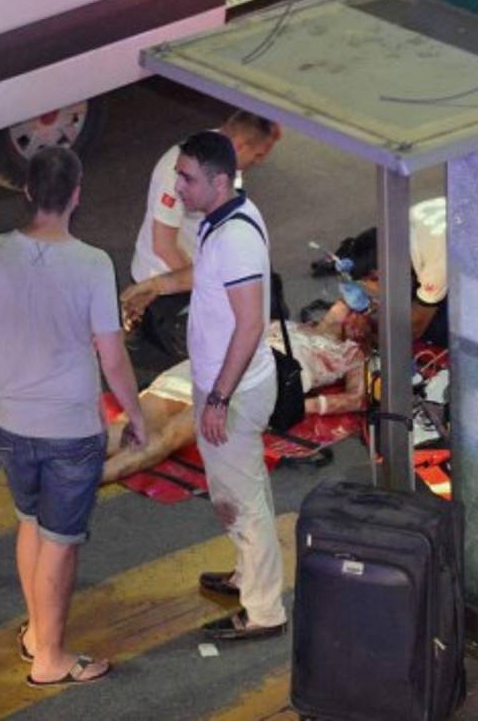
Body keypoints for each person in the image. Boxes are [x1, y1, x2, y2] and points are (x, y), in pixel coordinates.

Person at [0, 147, 146, 687]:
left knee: (31, 523)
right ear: (77, 194)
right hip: (72, 431)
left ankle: (38, 633)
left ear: (28, 192)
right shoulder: (92, 264)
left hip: (13, 425)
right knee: (61, 540)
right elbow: (111, 356)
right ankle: (51, 659)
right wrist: (135, 415)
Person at [145, 130, 287, 640]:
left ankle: (264, 610)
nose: (177, 186)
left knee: (240, 502)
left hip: (235, 392)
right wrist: (155, 287)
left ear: (219, 180)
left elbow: (250, 325)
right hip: (225, 385)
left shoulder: (236, 239)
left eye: (187, 177)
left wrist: (219, 400)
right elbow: (206, 280)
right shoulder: (219, 221)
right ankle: (248, 576)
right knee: (244, 492)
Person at [103, 306, 372, 483]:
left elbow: (356, 399)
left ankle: (89, 479)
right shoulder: (293, 325)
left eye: (369, 315)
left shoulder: (352, 354)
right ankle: (68, 463)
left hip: (256, 378)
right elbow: (342, 303)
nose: (357, 317)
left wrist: (303, 405)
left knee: (168, 435)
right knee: (131, 425)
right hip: (219, 361)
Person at [123, 112, 280, 359]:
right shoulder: (178, 171)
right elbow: (164, 245)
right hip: (166, 282)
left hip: (195, 272)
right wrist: (204, 285)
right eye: (258, 155)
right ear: (239, 145)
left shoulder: (226, 161)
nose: (259, 162)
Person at [324, 196, 449, 347]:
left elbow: (415, 328)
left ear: (377, 275)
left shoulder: (434, 261)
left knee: (435, 329)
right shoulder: (400, 226)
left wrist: (371, 341)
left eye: (367, 283)